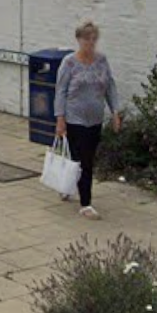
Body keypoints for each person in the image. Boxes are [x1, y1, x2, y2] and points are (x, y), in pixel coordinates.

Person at [53, 20, 121, 218]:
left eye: (93, 39)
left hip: (95, 118)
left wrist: (115, 111)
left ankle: (67, 185)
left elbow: (110, 86)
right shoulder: (69, 63)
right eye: (86, 39)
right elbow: (61, 91)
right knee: (82, 160)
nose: (90, 43)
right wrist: (60, 119)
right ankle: (86, 203)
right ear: (78, 39)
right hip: (75, 118)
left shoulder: (101, 60)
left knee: (85, 158)